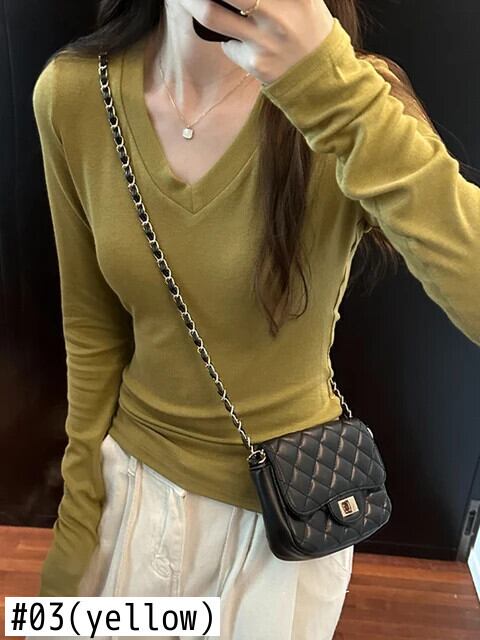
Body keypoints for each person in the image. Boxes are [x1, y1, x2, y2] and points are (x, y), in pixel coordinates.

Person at [31, 0, 480, 638]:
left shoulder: (350, 93)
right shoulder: (74, 94)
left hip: (288, 523)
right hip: (130, 493)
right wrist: (77, 525)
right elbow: (91, 328)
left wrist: (332, 90)